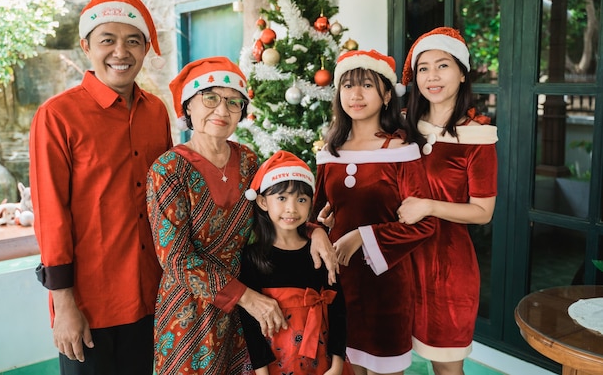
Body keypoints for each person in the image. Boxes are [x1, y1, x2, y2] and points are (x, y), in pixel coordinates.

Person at [146, 57, 337, 374]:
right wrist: (245, 297)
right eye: (210, 98)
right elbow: (176, 259)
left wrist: (315, 230)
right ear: (188, 107)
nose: (222, 111)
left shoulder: (247, 160)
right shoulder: (168, 169)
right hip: (192, 312)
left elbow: (276, 208)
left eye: (234, 102)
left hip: (248, 307)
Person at [29, 0, 173, 375]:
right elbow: (51, 216)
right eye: (107, 40)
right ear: (86, 46)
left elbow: (168, 202)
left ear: (145, 48)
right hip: (90, 306)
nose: (120, 52)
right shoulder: (57, 117)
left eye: (132, 41)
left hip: (154, 297)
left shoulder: (156, 112)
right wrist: (64, 306)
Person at [311, 49, 437, 375]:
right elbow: (313, 216)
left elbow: (424, 225)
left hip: (387, 286)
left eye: (366, 85)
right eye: (347, 86)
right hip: (338, 282)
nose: (355, 95)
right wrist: (319, 229)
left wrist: (361, 237)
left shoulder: (402, 150)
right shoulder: (329, 154)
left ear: (385, 95)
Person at [396, 27, 498, 375]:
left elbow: (483, 212)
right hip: (398, 259)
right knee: (386, 361)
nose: (432, 76)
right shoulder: (403, 126)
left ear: (462, 72)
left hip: (447, 267)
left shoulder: (477, 136)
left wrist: (429, 206)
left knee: (447, 368)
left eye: (443, 65)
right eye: (423, 68)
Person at [239, 150, 352, 375]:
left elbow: (338, 310)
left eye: (301, 199)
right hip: (274, 364)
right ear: (262, 201)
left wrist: (337, 364)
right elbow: (250, 324)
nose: (291, 208)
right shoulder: (253, 256)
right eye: (281, 198)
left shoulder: (320, 251)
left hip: (322, 363)